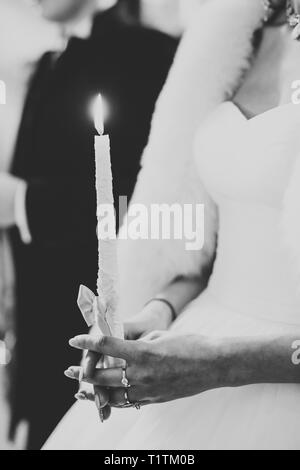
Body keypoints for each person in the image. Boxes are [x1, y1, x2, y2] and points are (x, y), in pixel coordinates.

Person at [44, 0, 300, 451]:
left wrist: (222, 365)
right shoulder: (226, 29)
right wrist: (158, 311)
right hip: (196, 329)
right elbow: (209, 249)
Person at [0, 0, 176, 449]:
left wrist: (22, 203)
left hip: (110, 325)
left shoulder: (148, 53)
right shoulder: (45, 65)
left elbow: (140, 198)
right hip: (38, 332)